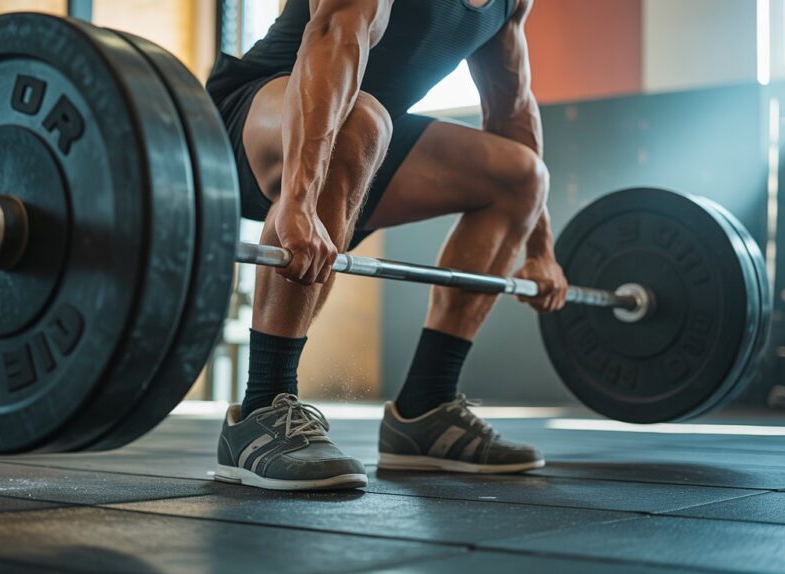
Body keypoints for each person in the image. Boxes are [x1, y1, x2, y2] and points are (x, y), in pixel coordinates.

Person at [206, 0, 568, 491]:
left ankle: (426, 407)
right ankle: (261, 408)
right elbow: (336, 36)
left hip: (367, 134)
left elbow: (513, 109)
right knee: (361, 119)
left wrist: (541, 250)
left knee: (521, 175)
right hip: (253, 117)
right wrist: (299, 198)